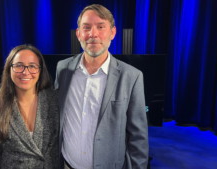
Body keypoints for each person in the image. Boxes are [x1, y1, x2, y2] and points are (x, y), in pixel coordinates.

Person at [55, 4, 148, 169]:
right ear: (78, 34)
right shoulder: (63, 69)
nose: (93, 34)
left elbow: (138, 137)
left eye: (100, 27)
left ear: (112, 33)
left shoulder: (132, 77)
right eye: (86, 27)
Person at [0, 44, 59, 169]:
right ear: (9, 69)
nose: (25, 72)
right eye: (19, 66)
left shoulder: (54, 100)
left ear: (40, 70)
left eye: (32, 66)